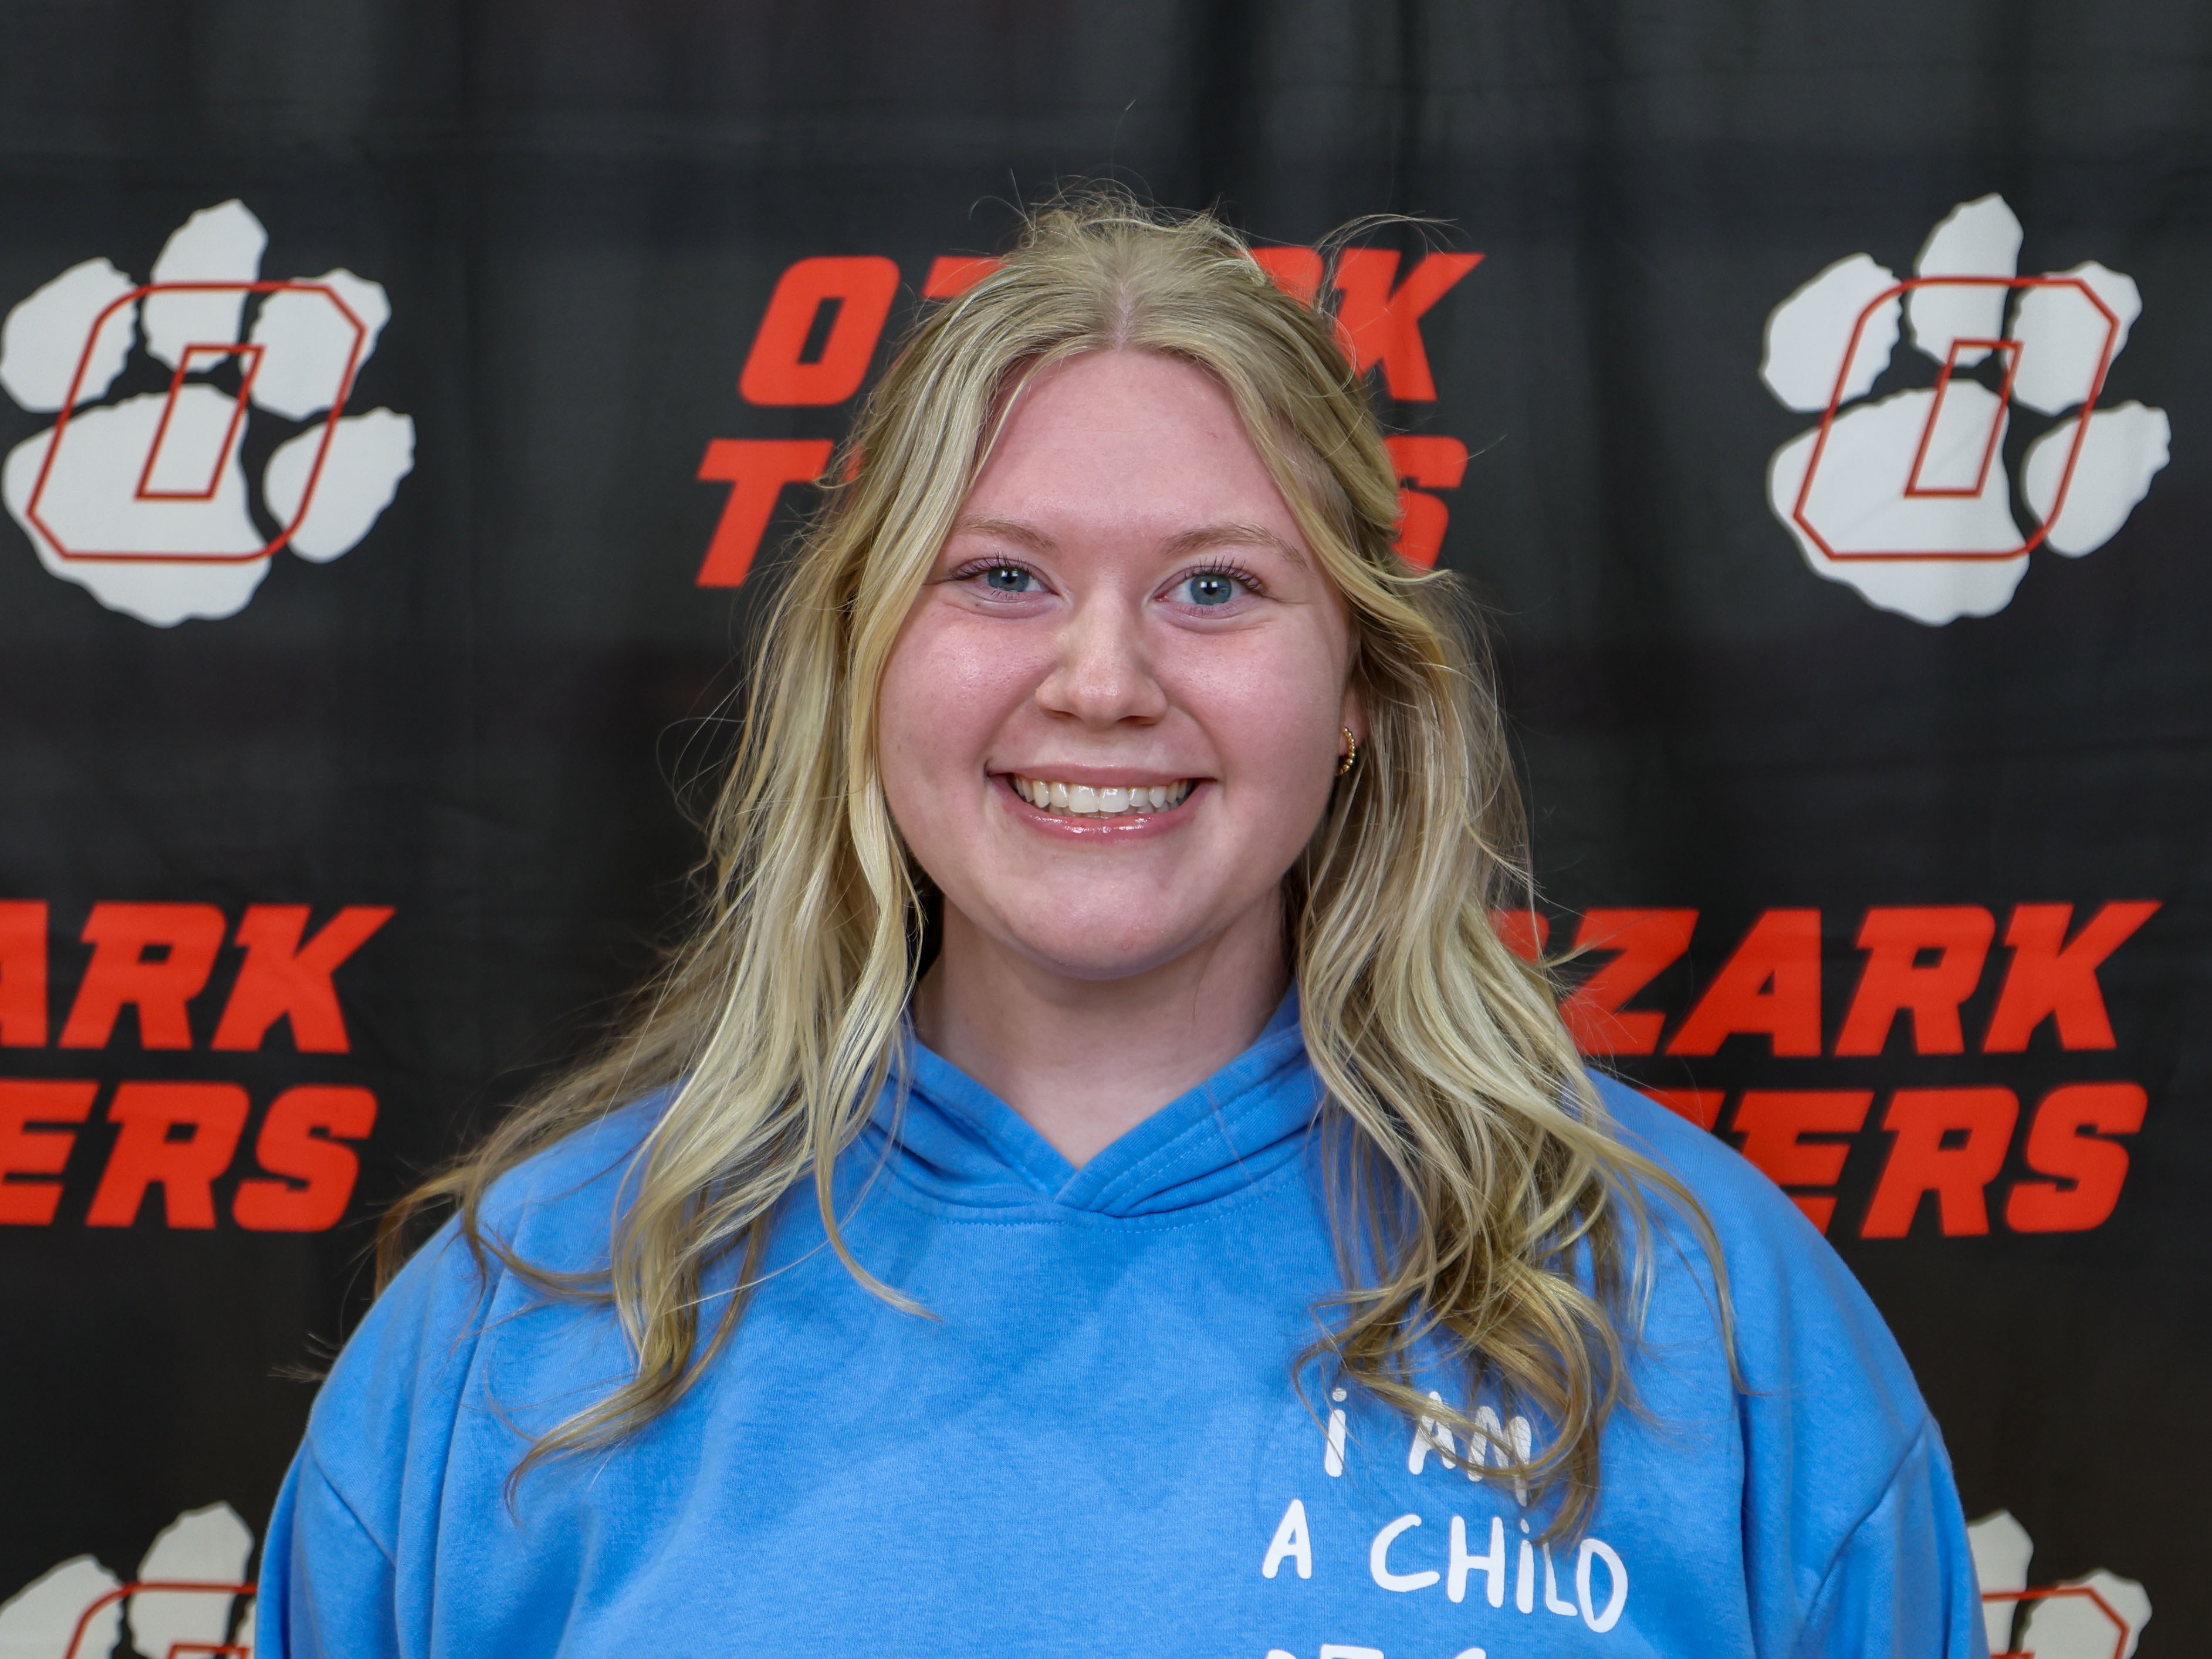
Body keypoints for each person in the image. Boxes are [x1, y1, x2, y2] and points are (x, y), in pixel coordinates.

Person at [258, 193, 1984, 1657]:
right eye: (999, 576)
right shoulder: (527, 1316)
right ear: (865, 659)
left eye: (1215, 586)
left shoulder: (1700, 1314)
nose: (1101, 681)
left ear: (1360, 689)